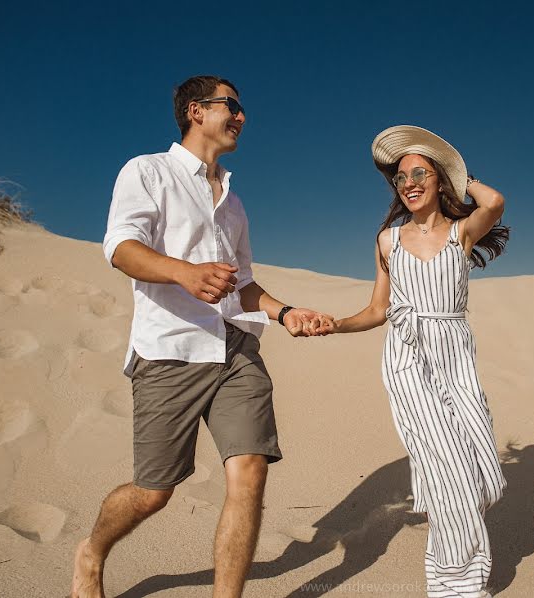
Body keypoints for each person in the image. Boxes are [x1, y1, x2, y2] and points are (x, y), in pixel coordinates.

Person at [71, 75, 332, 598]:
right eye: (231, 106)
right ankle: (92, 551)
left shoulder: (233, 203)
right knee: (153, 492)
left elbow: (245, 283)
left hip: (235, 347)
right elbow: (121, 248)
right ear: (196, 110)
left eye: (241, 109)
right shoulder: (148, 171)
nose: (240, 116)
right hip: (170, 349)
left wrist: (284, 314)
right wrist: (183, 273)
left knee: (250, 471)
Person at [315, 125, 509, 597]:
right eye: (401, 178)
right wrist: (336, 324)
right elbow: (378, 311)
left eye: (420, 173)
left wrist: (456, 170)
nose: (409, 183)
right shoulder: (388, 241)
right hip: (408, 362)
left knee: (483, 473)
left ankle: (458, 558)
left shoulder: (463, 232)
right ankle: (455, 583)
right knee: (447, 470)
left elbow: (495, 202)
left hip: (456, 358)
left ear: (441, 180)